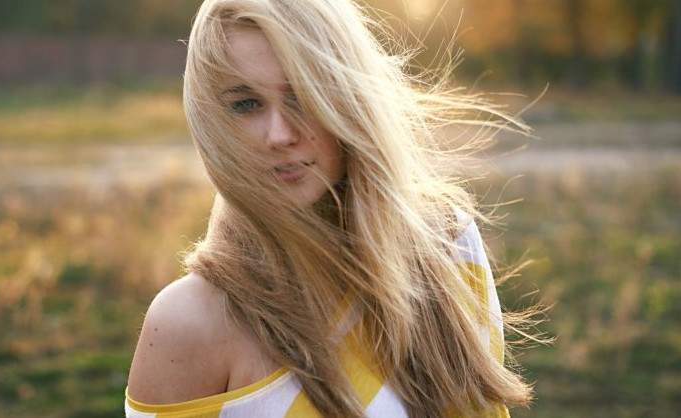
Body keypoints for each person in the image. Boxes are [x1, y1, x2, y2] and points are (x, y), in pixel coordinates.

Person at [125, 0, 541, 416]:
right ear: (212, 120)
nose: (279, 134)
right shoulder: (188, 321)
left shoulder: (448, 243)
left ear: (351, 96)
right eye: (246, 104)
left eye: (302, 94)